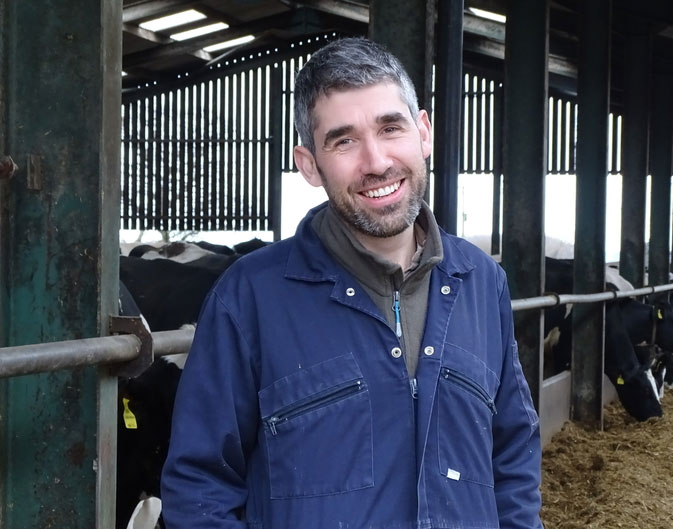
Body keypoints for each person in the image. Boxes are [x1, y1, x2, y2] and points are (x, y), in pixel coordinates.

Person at [160, 36, 543, 529]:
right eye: (344, 141)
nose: (377, 161)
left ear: (423, 133)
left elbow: (512, 454)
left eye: (391, 128)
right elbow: (199, 487)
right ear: (308, 165)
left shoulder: (481, 282)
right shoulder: (249, 297)